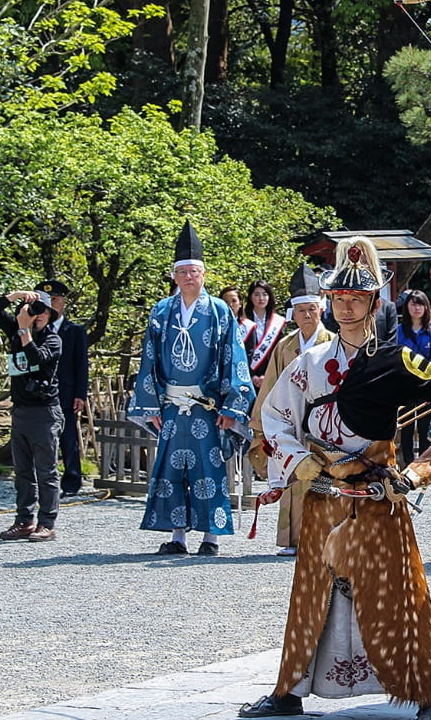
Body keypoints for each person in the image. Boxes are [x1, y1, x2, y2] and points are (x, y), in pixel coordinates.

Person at [242, 236, 431, 720]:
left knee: (401, 591)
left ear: (374, 302)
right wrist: (301, 464)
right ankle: (289, 689)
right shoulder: (308, 364)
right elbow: (273, 418)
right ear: (329, 302)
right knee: (311, 592)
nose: (346, 306)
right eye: (339, 298)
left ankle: (425, 693)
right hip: (323, 495)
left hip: (379, 498)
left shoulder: (398, 361)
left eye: (356, 298)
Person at [126, 221, 254, 556]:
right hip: (170, 404)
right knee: (171, 469)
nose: (188, 277)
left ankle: (210, 537)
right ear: (174, 276)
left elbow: (234, 358)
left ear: (204, 274)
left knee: (208, 468)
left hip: (207, 405)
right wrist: (149, 405)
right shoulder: (162, 311)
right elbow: (149, 359)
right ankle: (178, 535)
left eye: (193, 271)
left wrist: (231, 406)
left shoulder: (219, 311)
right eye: (181, 271)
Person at [247, 263, 333, 557]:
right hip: (292, 421)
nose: (307, 315)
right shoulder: (285, 347)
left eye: (312, 309)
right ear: (292, 314)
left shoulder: (334, 343)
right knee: (294, 476)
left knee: (325, 478)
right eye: (301, 311)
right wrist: (264, 425)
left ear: (321, 309)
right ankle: (292, 538)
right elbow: (270, 387)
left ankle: (323, 537)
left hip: (325, 423)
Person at [0, 288, 64, 541]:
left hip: (44, 412)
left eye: (45, 312)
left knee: (46, 471)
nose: (39, 315)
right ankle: (24, 521)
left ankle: (47, 523)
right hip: (20, 411)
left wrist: (24, 331)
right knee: (22, 471)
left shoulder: (52, 340)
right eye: (35, 311)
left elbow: (38, 357)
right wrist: (15, 296)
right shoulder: (17, 331)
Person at [37, 280, 90, 496]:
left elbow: (81, 363)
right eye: (46, 301)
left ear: (63, 302)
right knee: (40, 438)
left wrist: (80, 393)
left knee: (68, 438)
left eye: (55, 300)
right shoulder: (35, 328)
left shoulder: (74, 330)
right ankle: (41, 480)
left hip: (66, 390)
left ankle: (72, 481)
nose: (51, 305)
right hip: (40, 391)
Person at [396, 289, 431, 462]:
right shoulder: (399, 331)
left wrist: (424, 376)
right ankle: (407, 465)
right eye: (413, 304)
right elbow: (395, 357)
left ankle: (423, 463)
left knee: (425, 428)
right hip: (405, 386)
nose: (417, 308)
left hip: (427, 386)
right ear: (407, 306)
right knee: (406, 428)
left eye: (421, 304)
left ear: (427, 307)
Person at [244, 280, 287, 390]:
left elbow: (279, 351)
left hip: (270, 375)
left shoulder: (277, 322)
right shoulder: (243, 321)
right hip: (246, 375)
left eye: (265, 294)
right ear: (250, 297)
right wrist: (251, 375)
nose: (261, 298)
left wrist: (267, 375)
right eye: (256, 295)